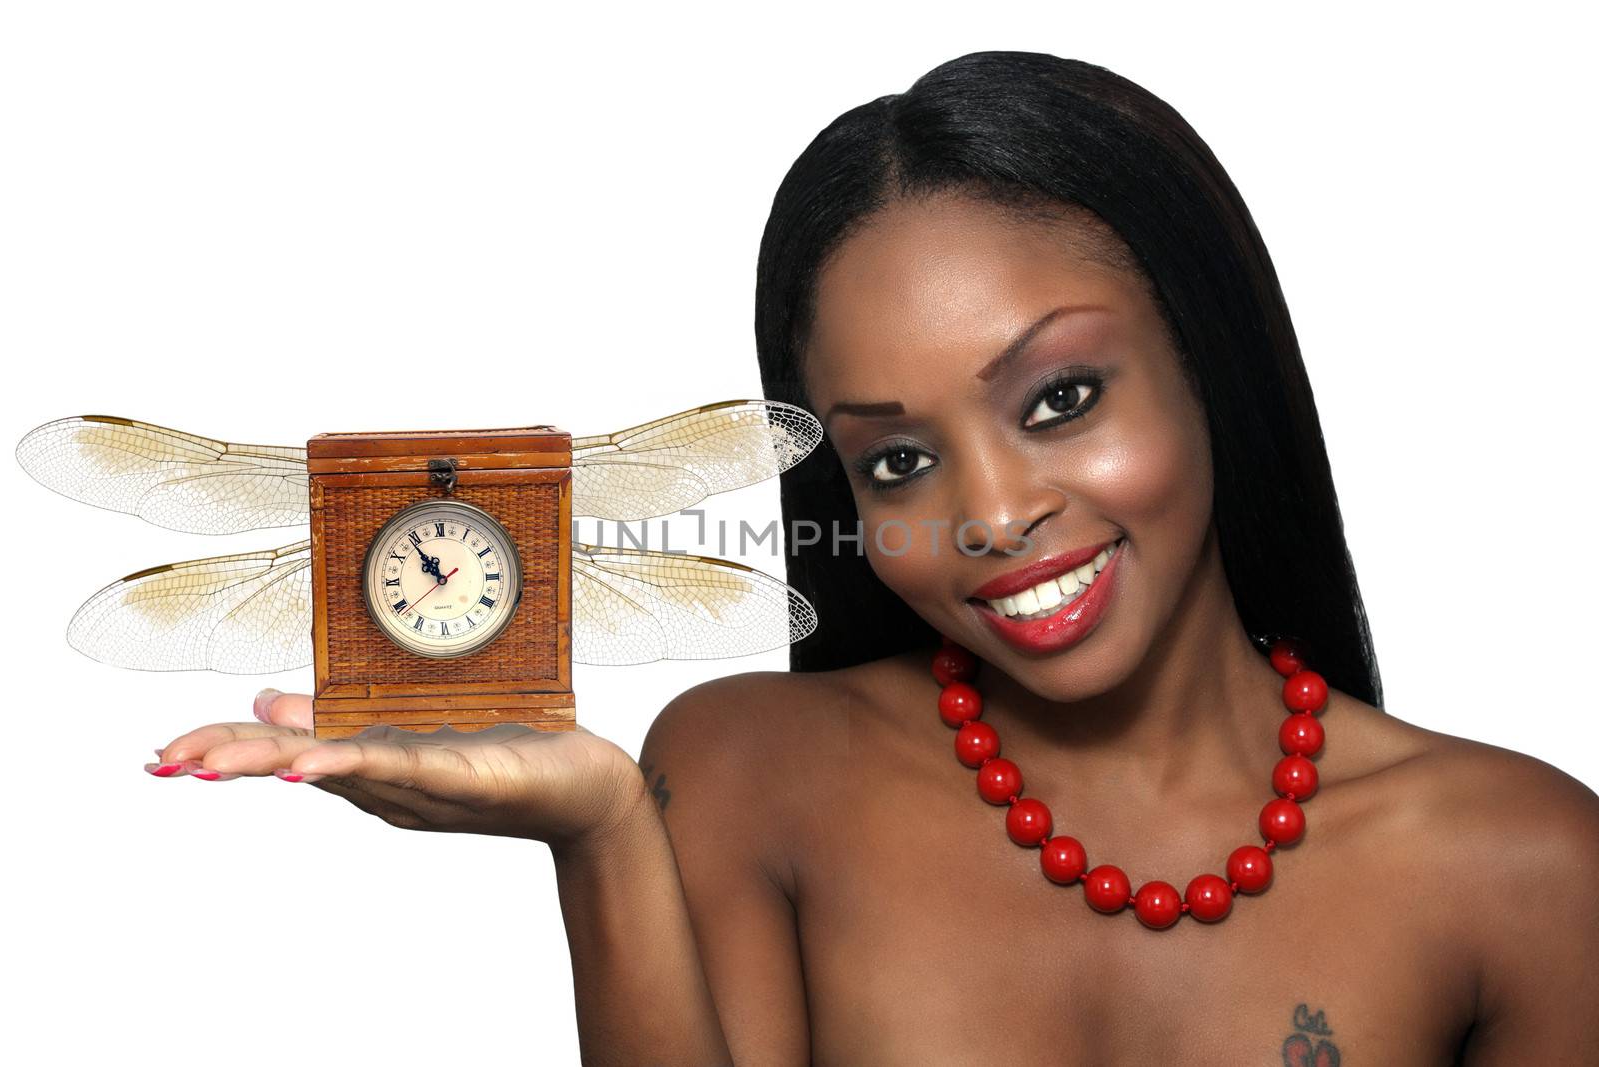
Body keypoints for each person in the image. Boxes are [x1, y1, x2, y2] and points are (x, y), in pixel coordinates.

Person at [150, 51, 1599, 1065]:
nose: (990, 512)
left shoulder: (1523, 867)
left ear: (1209, 362)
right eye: (895, 460)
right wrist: (599, 838)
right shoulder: (747, 774)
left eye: (1061, 400)